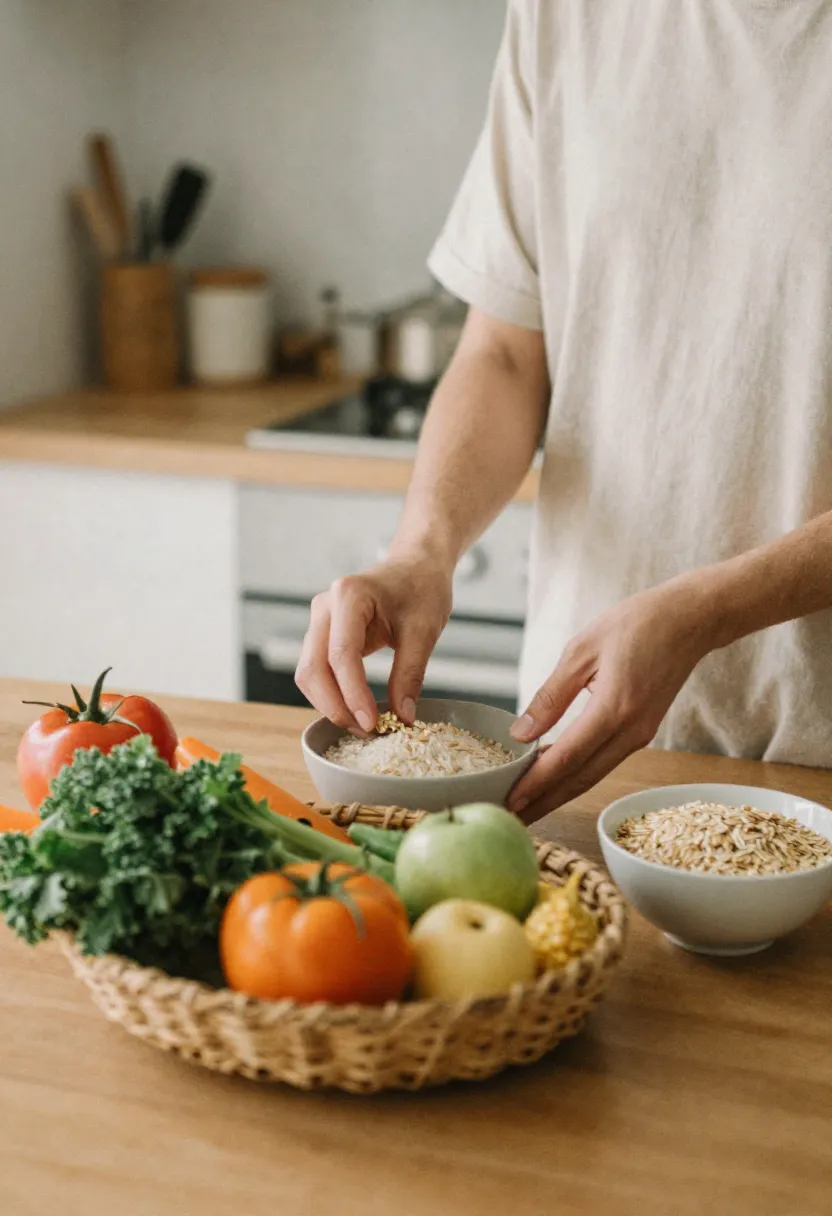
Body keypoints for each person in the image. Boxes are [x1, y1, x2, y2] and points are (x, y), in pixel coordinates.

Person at [296, 0, 832, 824]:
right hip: (577, 753)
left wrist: (707, 610)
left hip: (817, 748)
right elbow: (507, 352)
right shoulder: (564, 15)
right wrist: (420, 551)